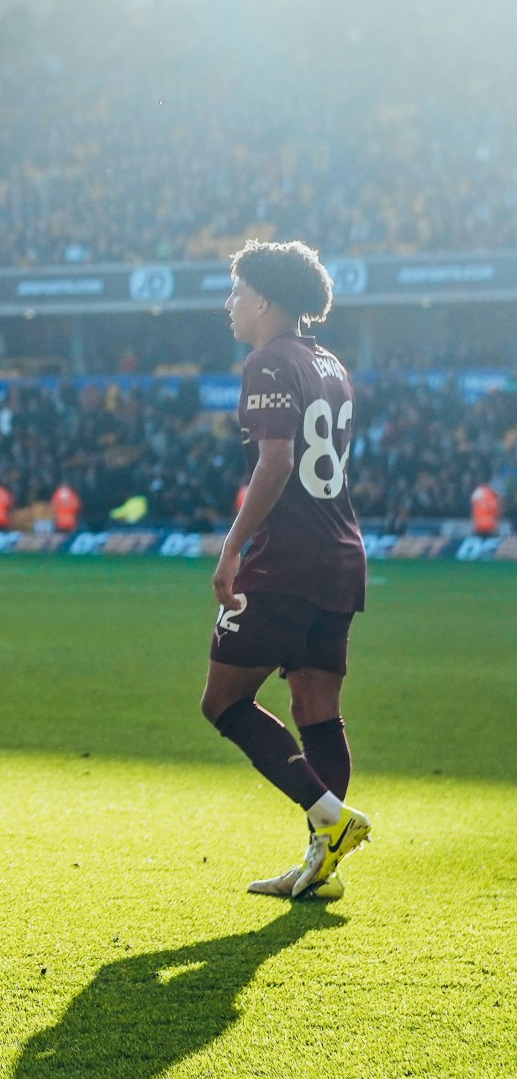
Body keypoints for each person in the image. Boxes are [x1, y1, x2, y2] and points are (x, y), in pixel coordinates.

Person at [206, 240, 371, 900]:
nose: (231, 304)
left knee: (223, 702)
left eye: (238, 291)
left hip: (287, 561)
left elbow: (275, 462)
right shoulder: (329, 363)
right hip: (341, 555)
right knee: (316, 707)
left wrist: (232, 548)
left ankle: (329, 821)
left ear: (266, 300)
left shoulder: (268, 361)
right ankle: (321, 862)